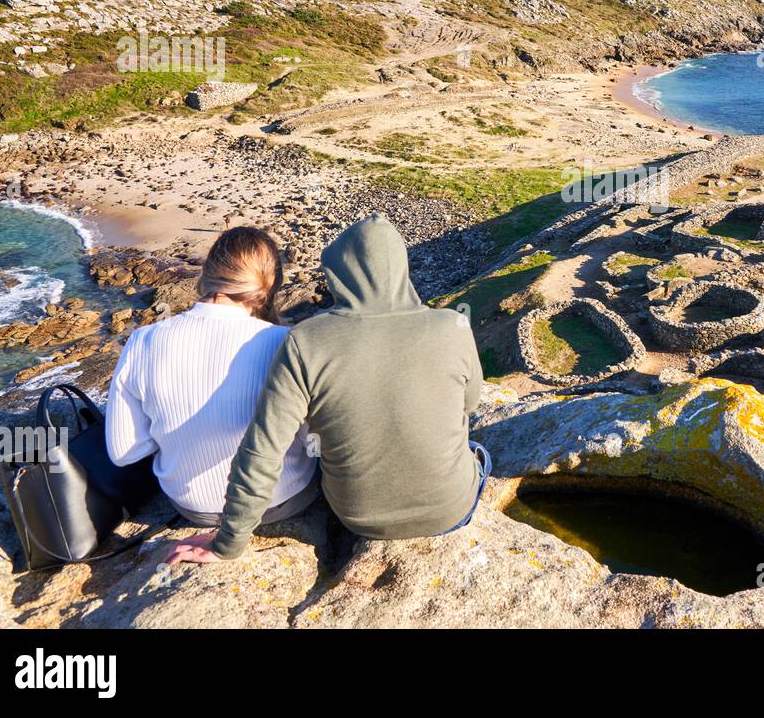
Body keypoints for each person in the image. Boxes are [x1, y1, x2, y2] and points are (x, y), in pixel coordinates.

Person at [163, 214, 487, 565]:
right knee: (477, 447)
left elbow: (263, 451)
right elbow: (468, 406)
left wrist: (227, 544)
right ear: (401, 267)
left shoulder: (306, 341)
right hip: (450, 510)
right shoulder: (453, 325)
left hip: (358, 518)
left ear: (337, 275)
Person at [106, 227, 319, 526]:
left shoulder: (143, 340)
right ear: (270, 285)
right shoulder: (287, 342)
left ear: (207, 273)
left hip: (192, 506)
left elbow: (123, 452)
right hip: (282, 497)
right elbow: (313, 440)